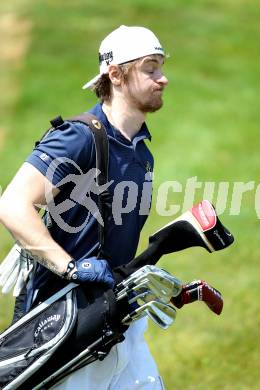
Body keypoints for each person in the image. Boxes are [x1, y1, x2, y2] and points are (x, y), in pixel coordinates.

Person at [0, 25, 168, 389]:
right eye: (151, 68)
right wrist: (71, 267)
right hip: (64, 327)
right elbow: (12, 205)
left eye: (161, 67)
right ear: (116, 74)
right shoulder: (79, 137)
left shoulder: (141, 150)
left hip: (112, 316)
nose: (163, 78)